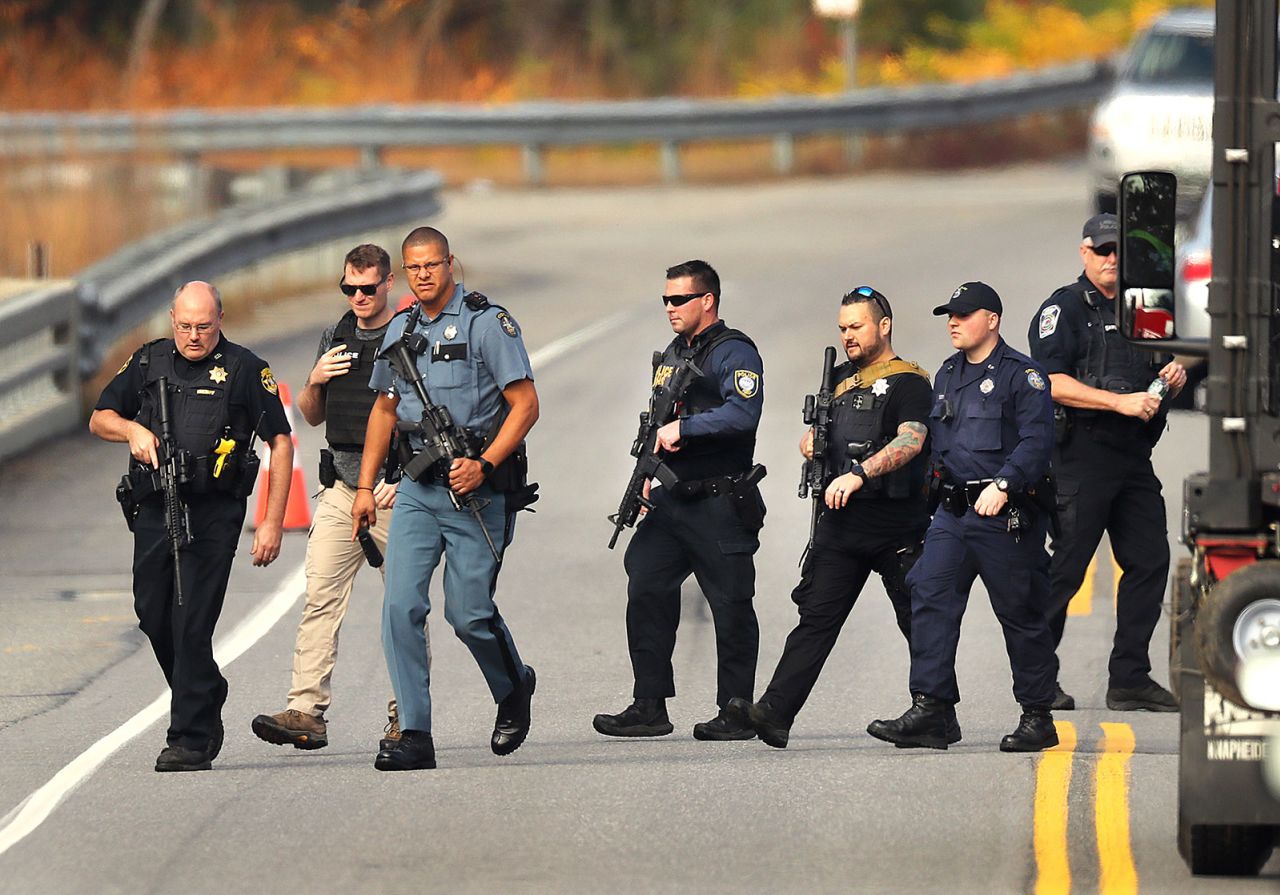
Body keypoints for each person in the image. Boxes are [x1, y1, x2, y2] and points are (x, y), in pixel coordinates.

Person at [352, 226, 539, 771]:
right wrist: (365, 487)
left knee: (469, 614)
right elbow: (384, 411)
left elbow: (525, 405)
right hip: (417, 489)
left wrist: (485, 465)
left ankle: (512, 688)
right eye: (414, 268)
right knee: (399, 605)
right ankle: (414, 733)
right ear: (404, 273)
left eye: (432, 264)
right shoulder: (401, 329)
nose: (424, 274)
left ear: (450, 263)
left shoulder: (487, 323)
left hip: (477, 494)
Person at [726, 286, 940, 749]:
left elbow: (912, 440)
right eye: (842, 328)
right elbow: (830, 438)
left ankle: (936, 714)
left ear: (883, 326)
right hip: (842, 526)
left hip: (895, 526)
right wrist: (811, 442)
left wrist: (861, 473)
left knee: (918, 620)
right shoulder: (840, 381)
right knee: (815, 620)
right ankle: (776, 713)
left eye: (856, 326)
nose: (848, 335)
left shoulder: (910, 383)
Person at [90, 281, 292, 772]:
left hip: (214, 513)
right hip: (156, 508)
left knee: (191, 620)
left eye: (203, 326)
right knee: (152, 613)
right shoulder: (147, 360)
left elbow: (280, 443)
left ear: (220, 319)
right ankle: (205, 687)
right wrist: (133, 430)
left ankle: (190, 737)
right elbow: (100, 418)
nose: (194, 336)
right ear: (171, 319)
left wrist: (271, 523)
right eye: (184, 326)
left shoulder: (246, 369)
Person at [867, 282, 1060, 752]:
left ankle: (1037, 715)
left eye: (964, 314)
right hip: (953, 514)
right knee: (929, 592)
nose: (953, 322)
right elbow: (938, 445)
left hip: (1004, 514)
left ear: (992, 319)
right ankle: (932, 708)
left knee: (1020, 613)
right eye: (949, 314)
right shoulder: (948, 374)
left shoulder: (1023, 376)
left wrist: (1005, 484)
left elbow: (1037, 443)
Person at [593, 259, 766, 741]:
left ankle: (736, 709)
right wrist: (646, 476)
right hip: (672, 502)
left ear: (707, 300)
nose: (669, 307)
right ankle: (649, 704)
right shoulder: (673, 352)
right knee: (645, 582)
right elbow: (656, 421)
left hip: (719, 501)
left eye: (679, 299)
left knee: (731, 604)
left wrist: (684, 429)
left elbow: (742, 414)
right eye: (665, 299)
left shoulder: (734, 352)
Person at [251, 244, 412, 752]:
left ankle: (407, 716)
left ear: (389, 283)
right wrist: (314, 380)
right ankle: (306, 710)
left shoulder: (411, 335)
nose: (359, 297)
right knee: (319, 596)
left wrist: (407, 476)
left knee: (402, 608)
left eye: (368, 288)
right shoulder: (335, 335)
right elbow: (311, 414)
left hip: (395, 491)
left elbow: (432, 414)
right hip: (342, 489)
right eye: (350, 288)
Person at [1028, 213, 1187, 712]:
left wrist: (1174, 378)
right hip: (1081, 455)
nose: (1112, 259)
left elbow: (1165, 367)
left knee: (1149, 561)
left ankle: (1129, 678)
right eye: (1103, 250)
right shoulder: (1065, 309)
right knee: (1067, 570)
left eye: (1120, 250)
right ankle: (1036, 679)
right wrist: (1118, 402)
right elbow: (1050, 382)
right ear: (1084, 253)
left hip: (1133, 457)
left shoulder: (1148, 308)